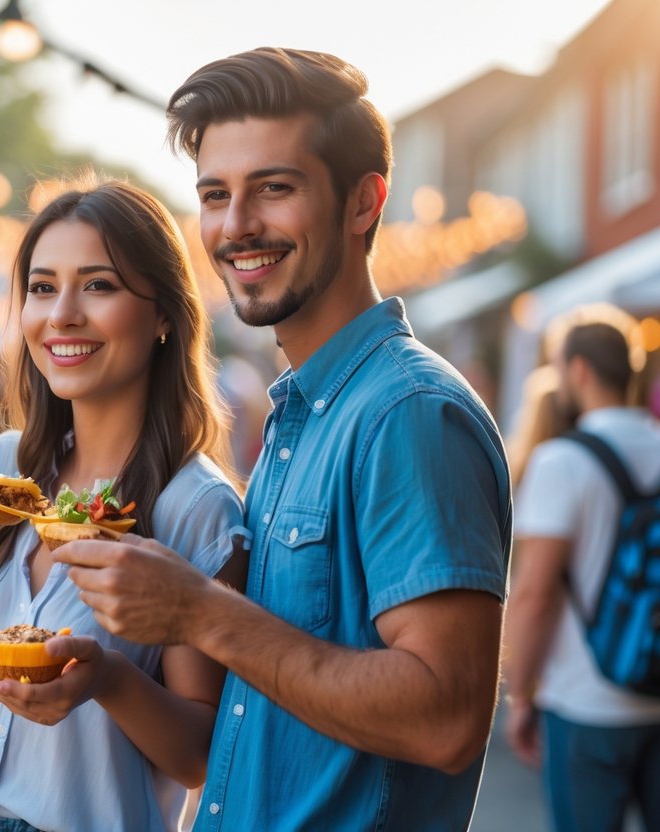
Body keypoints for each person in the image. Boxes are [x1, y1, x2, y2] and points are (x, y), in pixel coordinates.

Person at [52, 48, 512, 830]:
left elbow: (444, 719)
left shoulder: (406, 412)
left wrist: (200, 613)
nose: (235, 227)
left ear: (363, 202)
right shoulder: (304, 414)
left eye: (274, 188)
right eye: (215, 195)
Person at [0, 179, 248, 832]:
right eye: (42, 288)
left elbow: (197, 758)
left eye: (97, 285)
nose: (61, 314)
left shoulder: (197, 505)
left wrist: (106, 679)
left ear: (163, 316)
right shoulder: (4, 466)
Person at [504, 306, 660, 831]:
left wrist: (522, 694)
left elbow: (535, 593)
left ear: (579, 370)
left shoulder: (562, 461)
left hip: (587, 703)